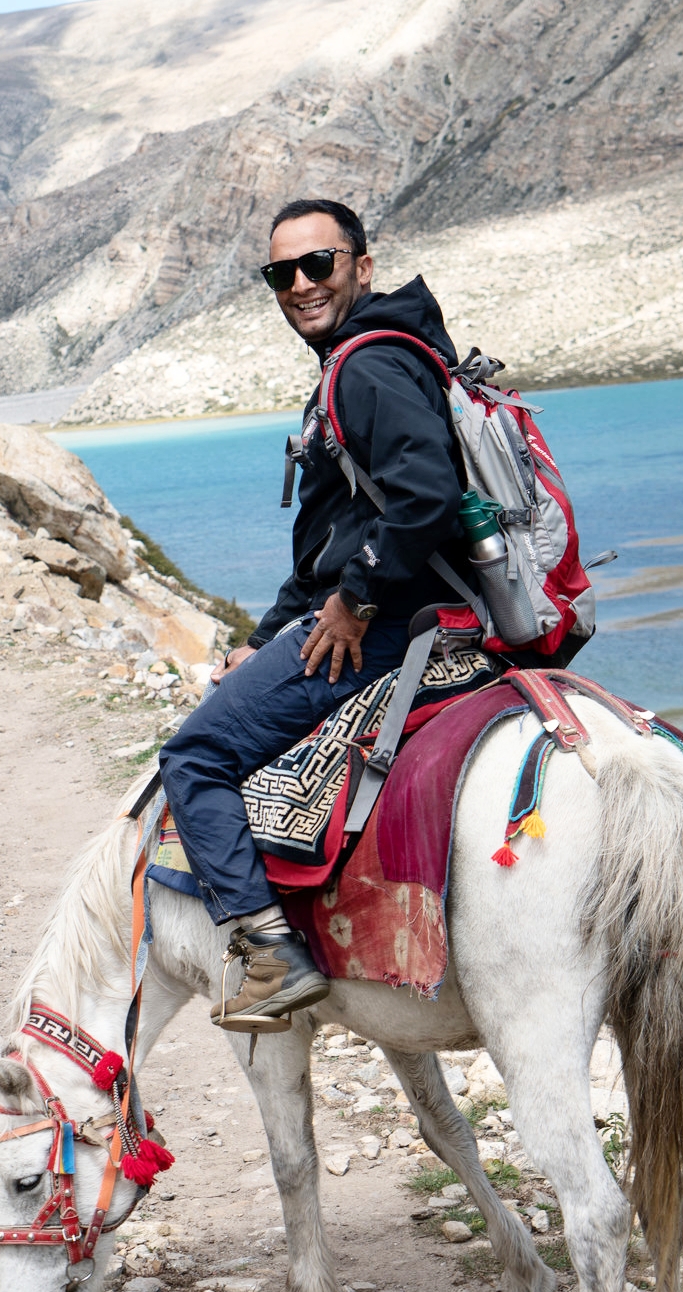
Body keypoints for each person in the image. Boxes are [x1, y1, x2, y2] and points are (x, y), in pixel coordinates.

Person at [155, 198, 465, 1033]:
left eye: (317, 264)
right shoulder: (382, 356)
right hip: (414, 604)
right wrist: (259, 644)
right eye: (279, 273)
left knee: (195, 756)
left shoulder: (363, 367)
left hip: (394, 619)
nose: (298, 284)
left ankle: (268, 953)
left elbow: (426, 495)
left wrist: (358, 600)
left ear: (362, 268)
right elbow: (333, 538)